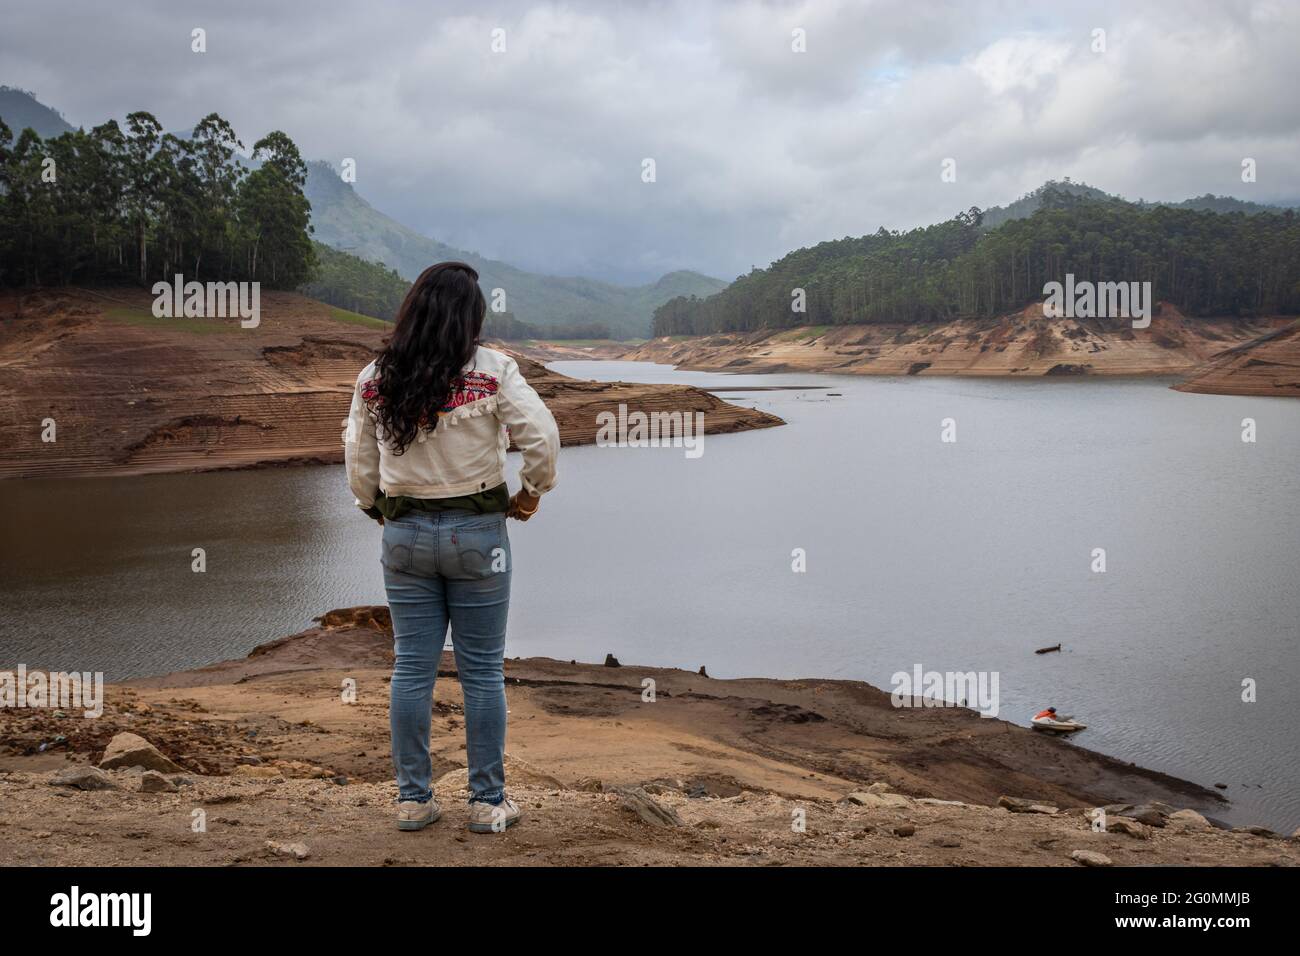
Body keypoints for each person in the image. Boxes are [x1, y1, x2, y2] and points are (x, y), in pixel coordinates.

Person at [344, 261, 559, 834]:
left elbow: (358, 461)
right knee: (482, 672)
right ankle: (487, 803)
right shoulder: (493, 370)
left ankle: (414, 801)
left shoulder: (374, 376)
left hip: (404, 535)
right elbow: (541, 437)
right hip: (479, 535)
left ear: (413, 308)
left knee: (411, 669)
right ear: (471, 315)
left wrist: (375, 508)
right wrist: (531, 494)